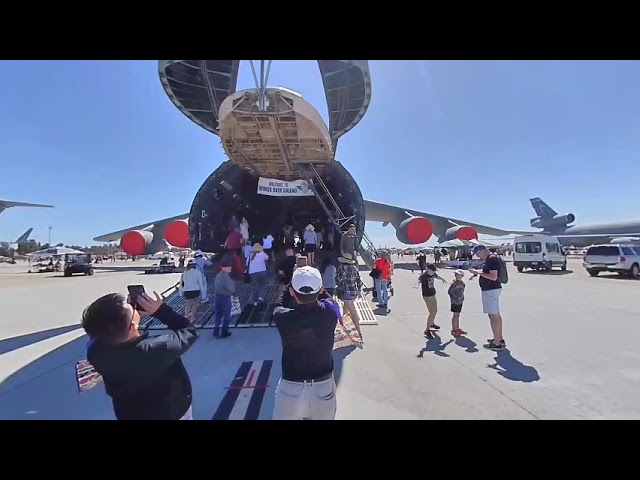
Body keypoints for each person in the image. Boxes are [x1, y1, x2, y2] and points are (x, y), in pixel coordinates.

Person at [81, 291, 198, 420]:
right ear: (133, 326)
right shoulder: (157, 348)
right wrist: (161, 310)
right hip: (172, 413)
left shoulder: (95, 351)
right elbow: (189, 331)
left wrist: (125, 314)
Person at [272, 266, 339, 420]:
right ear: (320, 289)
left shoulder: (283, 318)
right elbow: (329, 299)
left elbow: (279, 304)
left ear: (292, 292)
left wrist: (291, 284)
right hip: (323, 387)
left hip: (291, 387)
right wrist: (316, 288)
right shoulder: (331, 314)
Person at [469, 245, 505, 350]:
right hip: (493, 289)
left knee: (493, 316)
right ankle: (499, 338)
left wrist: (478, 272)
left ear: (482, 251)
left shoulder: (491, 260)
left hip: (490, 290)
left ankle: (497, 342)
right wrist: (480, 272)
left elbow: (493, 276)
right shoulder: (492, 258)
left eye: (477, 254)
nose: (478, 256)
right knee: (496, 315)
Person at [336, 252, 364, 338]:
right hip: (353, 291)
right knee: (345, 311)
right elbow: (359, 280)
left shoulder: (343, 268)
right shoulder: (354, 268)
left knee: (353, 313)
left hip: (346, 291)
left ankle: (358, 333)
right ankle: (345, 330)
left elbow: (339, 279)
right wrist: (359, 290)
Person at [418, 263, 446, 339]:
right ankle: (427, 330)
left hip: (432, 294)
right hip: (427, 296)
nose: (433, 272)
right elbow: (419, 279)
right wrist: (417, 283)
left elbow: (436, 276)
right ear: (427, 269)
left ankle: (432, 323)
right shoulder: (424, 277)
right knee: (432, 312)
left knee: (435, 310)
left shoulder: (433, 274)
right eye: (432, 271)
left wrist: (442, 279)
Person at [213, 256, 237, 338]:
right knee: (227, 316)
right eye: (228, 266)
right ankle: (224, 332)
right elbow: (231, 288)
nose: (230, 268)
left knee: (218, 316)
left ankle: (216, 331)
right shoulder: (226, 277)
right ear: (223, 268)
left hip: (217, 297)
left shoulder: (218, 276)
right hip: (225, 298)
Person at [448, 269, 467, 337]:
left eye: (458, 275)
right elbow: (450, 292)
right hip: (455, 301)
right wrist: (455, 298)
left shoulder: (462, 283)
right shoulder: (454, 284)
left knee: (457, 315)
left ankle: (457, 328)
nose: (456, 276)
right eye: (456, 274)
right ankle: (454, 329)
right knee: (455, 315)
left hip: (460, 301)